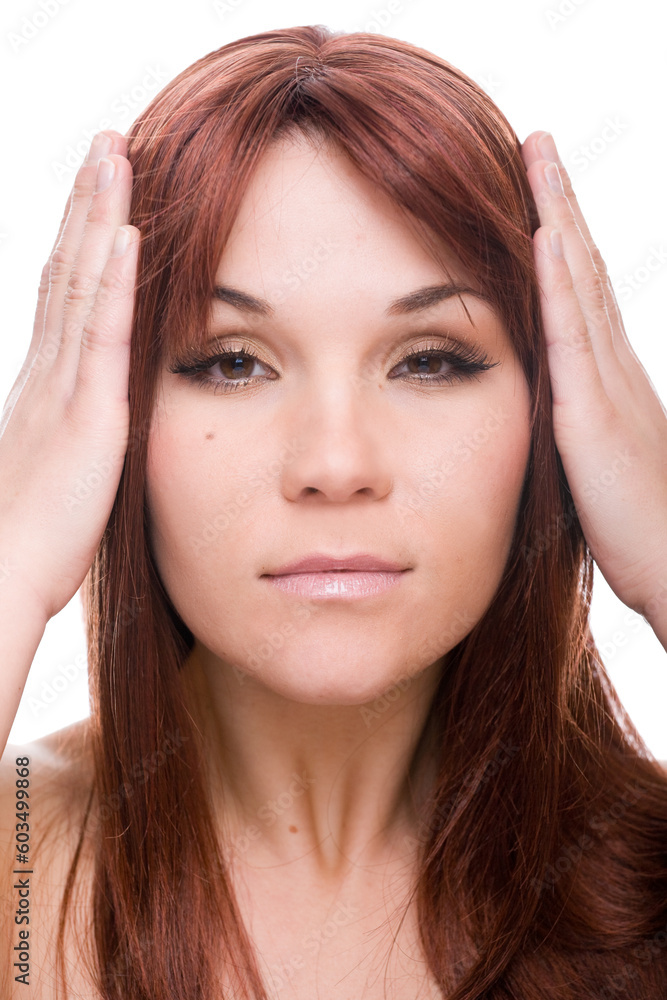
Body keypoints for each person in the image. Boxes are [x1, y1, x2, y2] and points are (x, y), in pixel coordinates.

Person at [1, 22, 667, 1000]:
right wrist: (10, 563)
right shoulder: (18, 860)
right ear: (115, 417)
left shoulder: (645, 874)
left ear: (559, 410)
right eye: (232, 361)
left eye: (430, 359)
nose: (335, 464)